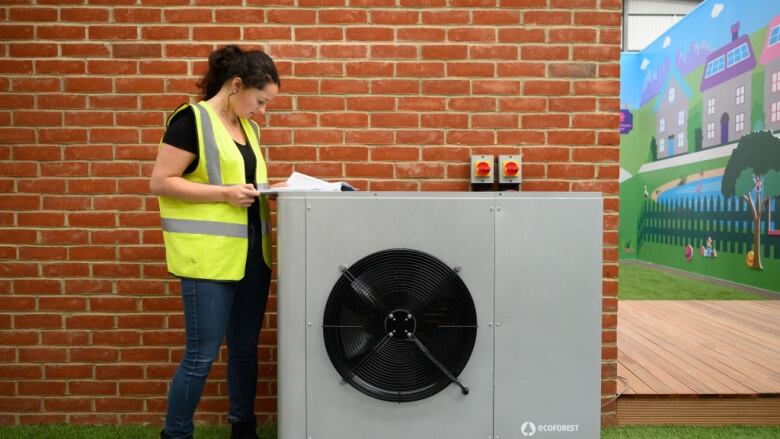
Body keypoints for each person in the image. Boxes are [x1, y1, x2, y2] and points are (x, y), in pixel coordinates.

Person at [150, 44, 283, 439]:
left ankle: (244, 428)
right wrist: (224, 194)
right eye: (260, 100)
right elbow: (161, 181)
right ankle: (176, 434)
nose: (262, 110)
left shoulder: (250, 129)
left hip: (252, 256)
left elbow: (241, 186)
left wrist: (275, 188)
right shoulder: (191, 119)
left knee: (244, 350)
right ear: (236, 85)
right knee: (201, 356)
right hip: (207, 259)